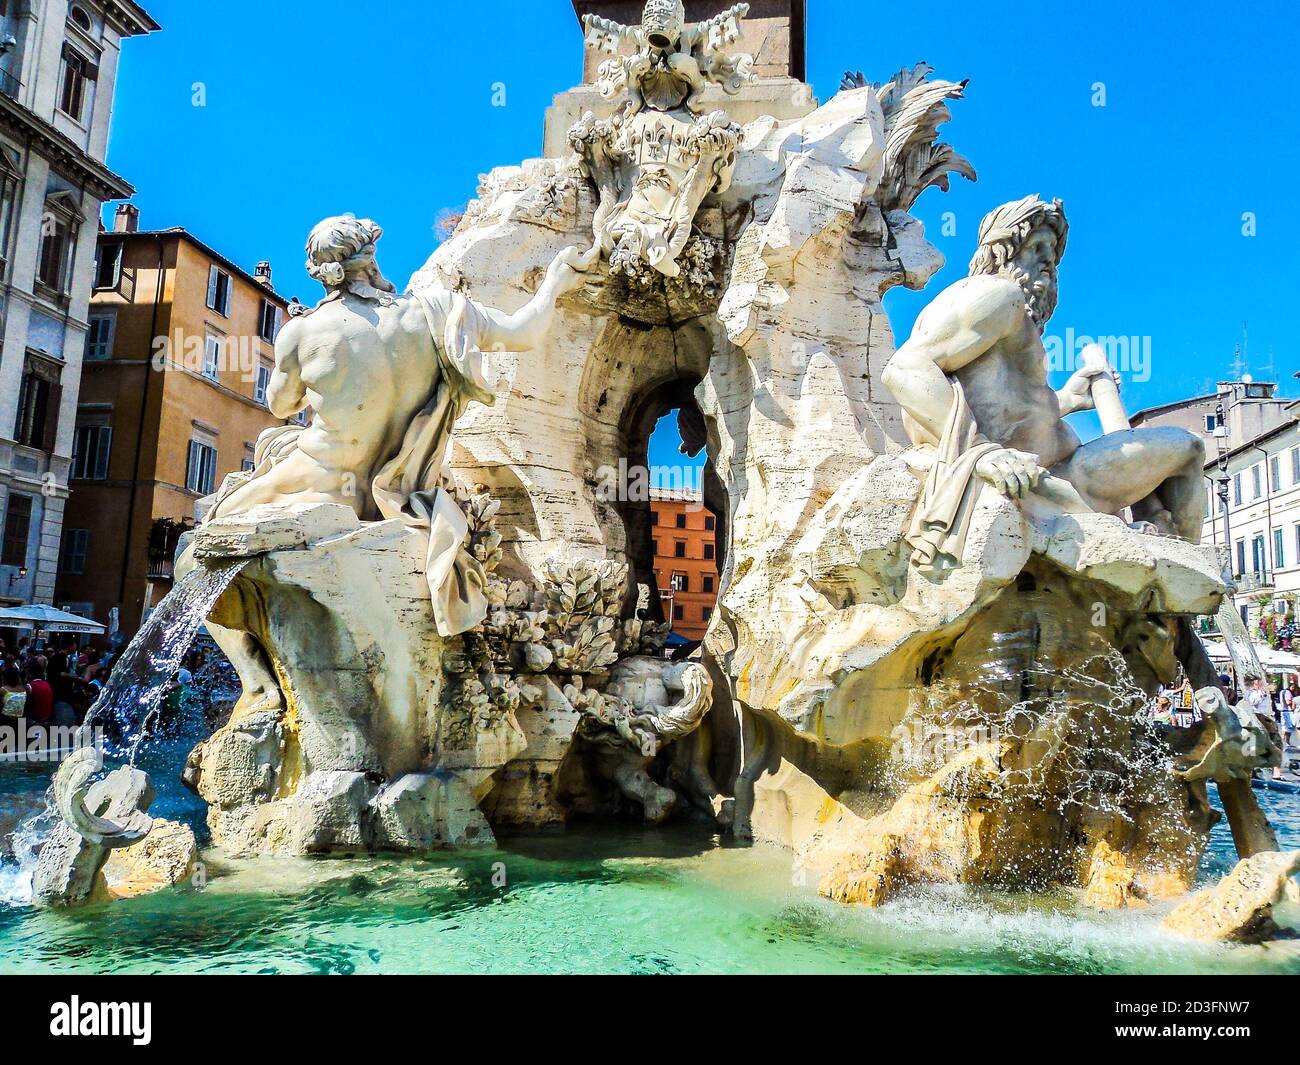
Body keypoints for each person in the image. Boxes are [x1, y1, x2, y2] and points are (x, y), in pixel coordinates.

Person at [884, 196, 1205, 575]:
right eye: (1035, 247)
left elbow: (1005, 408)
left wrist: (1065, 401)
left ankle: (1172, 575)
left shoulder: (1016, 318)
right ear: (1001, 253)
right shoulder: (995, 295)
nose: (1048, 263)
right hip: (1044, 479)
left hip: (1052, 470)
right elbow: (904, 370)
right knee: (1188, 449)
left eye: (1052, 253)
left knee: (1181, 453)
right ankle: (1182, 586)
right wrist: (984, 453)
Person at [24, 657, 53, 727]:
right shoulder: (47, 685)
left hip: (34, 720)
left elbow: (24, 704)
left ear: (30, 674)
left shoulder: (29, 686)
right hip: (47, 720)